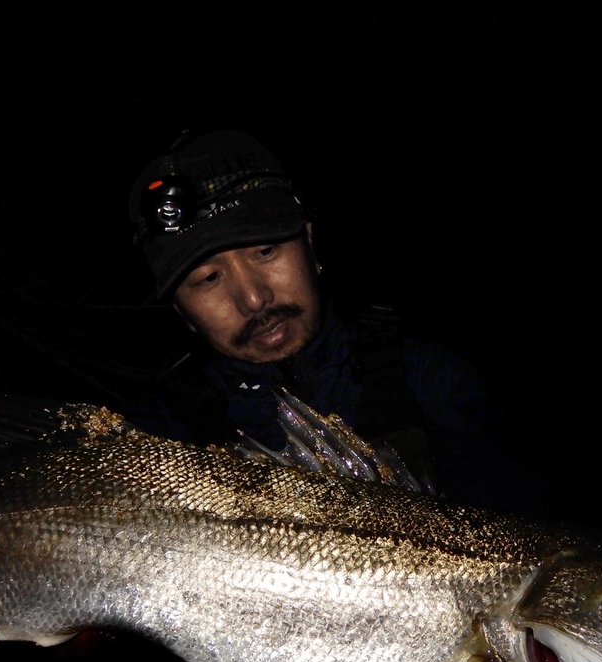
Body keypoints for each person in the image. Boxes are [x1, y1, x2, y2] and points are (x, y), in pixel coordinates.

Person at [121, 127, 552, 517]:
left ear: (309, 241)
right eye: (208, 278)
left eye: (266, 252)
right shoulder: (146, 440)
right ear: (182, 312)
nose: (253, 298)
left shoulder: (431, 383)